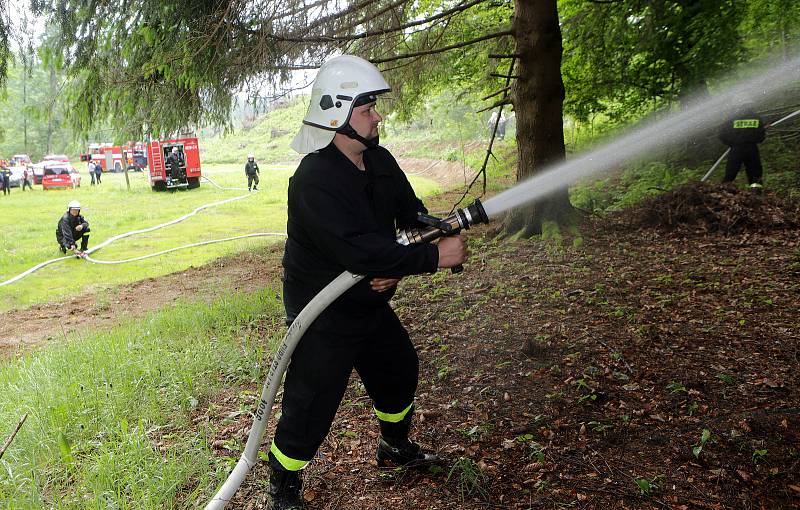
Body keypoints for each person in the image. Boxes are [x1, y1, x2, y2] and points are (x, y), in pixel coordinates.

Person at [268, 55, 468, 510]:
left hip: (370, 303)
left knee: (399, 369)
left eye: (374, 107)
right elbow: (357, 252)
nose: (378, 116)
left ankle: (394, 447)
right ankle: (283, 483)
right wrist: (433, 256)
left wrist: (435, 226)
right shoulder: (313, 181)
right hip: (324, 312)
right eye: (367, 108)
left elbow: (407, 211)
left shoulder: (378, 160)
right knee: (312, 402)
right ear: (337, 115)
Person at [719, 103, 766, 192]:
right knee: (755, 174)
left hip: (736, 149)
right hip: (752, 149)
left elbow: (722, 135)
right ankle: (757, 196)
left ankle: (723, 193)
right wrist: (751, 138)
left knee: (730, 173)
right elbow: (761, 137)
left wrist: (733, 143)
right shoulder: (756, 117)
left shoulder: (732, 118)